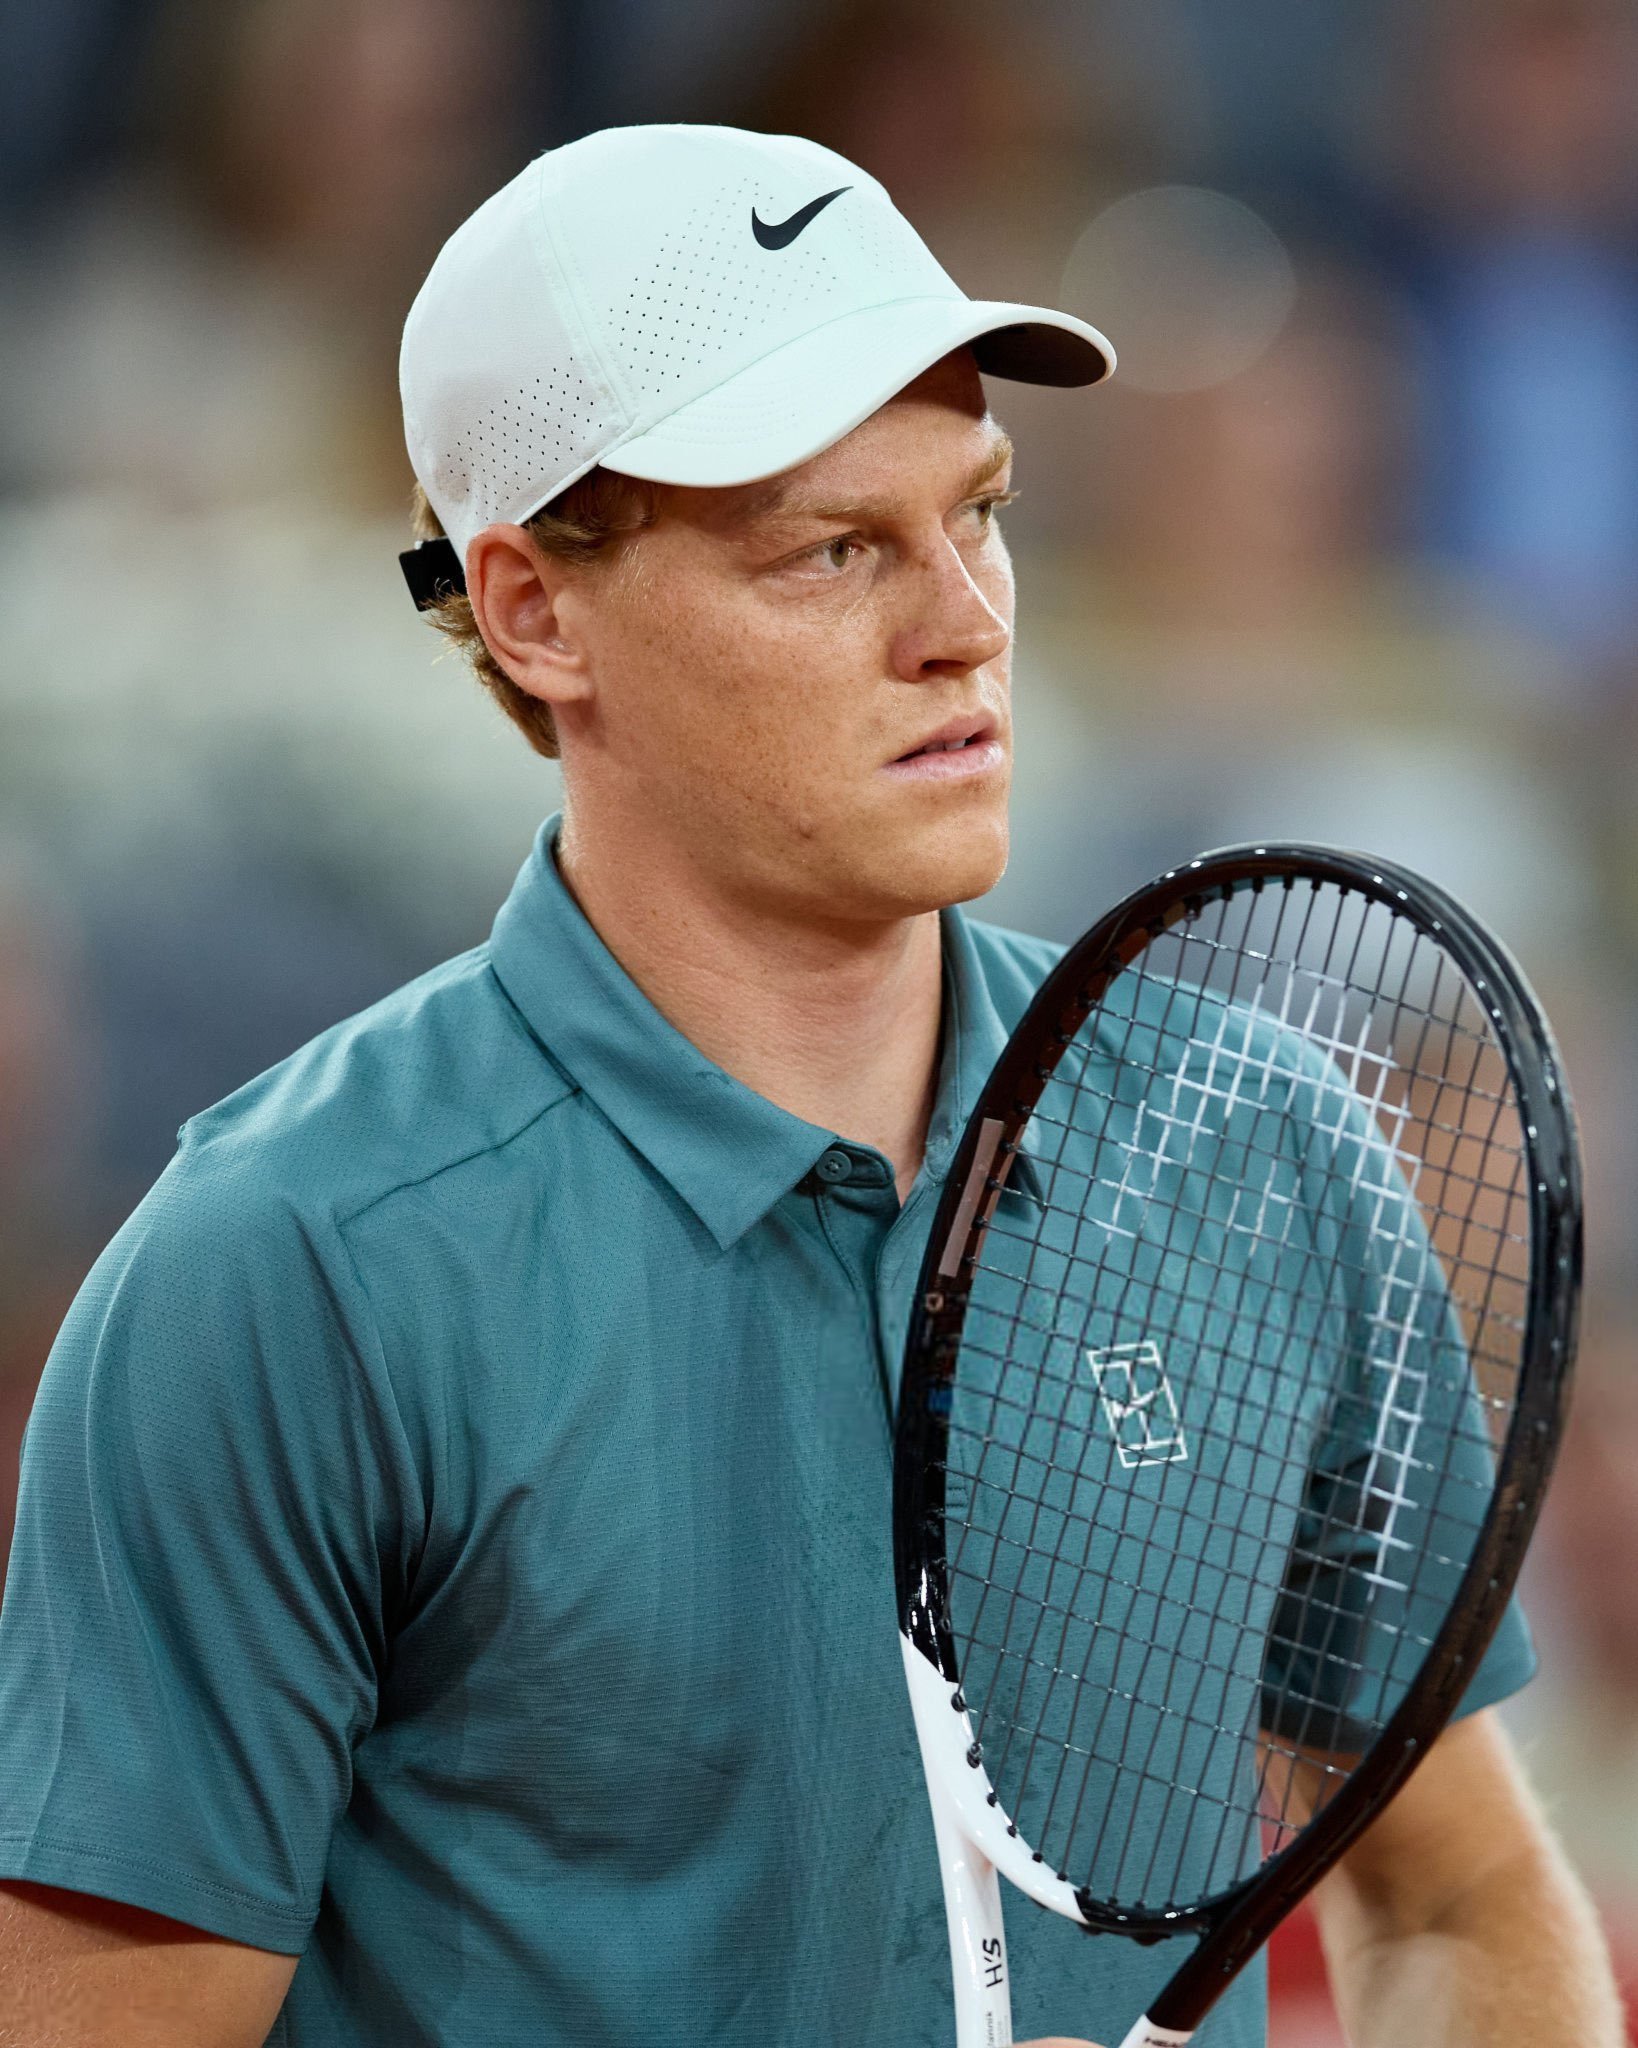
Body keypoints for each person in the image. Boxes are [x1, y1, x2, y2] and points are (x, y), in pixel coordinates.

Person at [0, 124, 1619, 2048]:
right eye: (831, 550)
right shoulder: (282, 1269)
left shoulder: (1255, 1145)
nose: (965, 622)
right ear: (533, 611)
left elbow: (1451, 1904)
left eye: (979, 512)